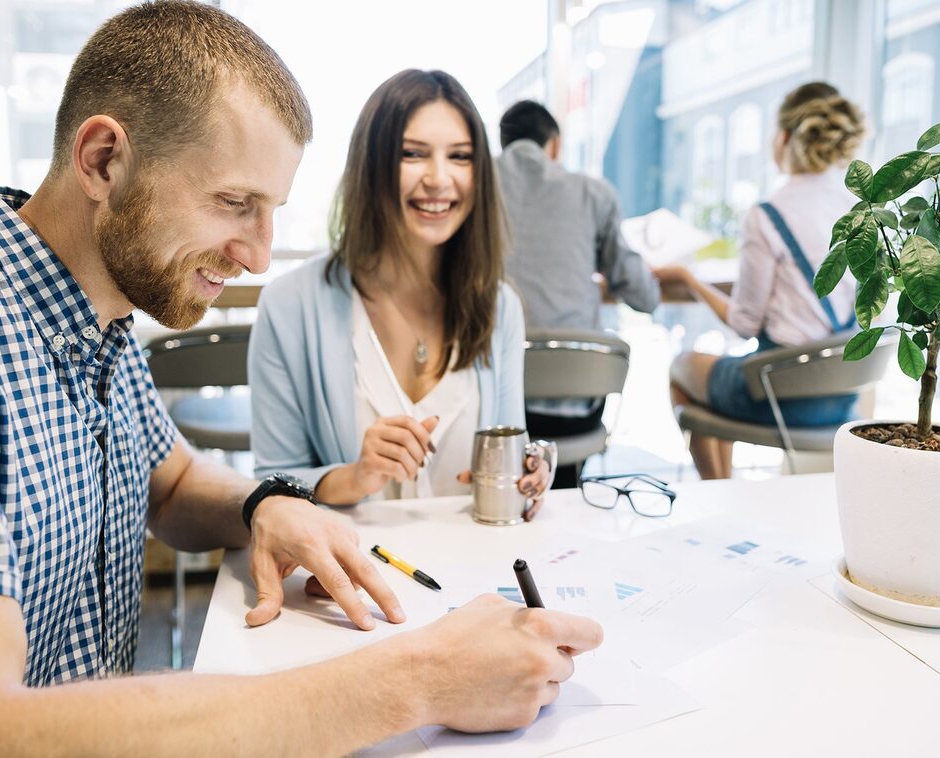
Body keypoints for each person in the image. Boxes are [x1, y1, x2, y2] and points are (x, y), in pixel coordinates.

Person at [0, 4, 601, 754]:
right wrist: (418, 680)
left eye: (270, 211)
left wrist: (264, 503)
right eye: (234, 203)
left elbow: (170, 486)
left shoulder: (97, 317)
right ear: (105, 161)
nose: (258, 257)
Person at [249, 70, 553, 517]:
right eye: (413, 154)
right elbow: (270, 484)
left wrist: (530, 471)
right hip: (351, 575)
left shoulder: (499, 306)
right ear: (371, 165)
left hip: (475, 568)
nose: (438, 178)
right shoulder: (290, 305)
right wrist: (355, 476)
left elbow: (513, 446)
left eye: (461, 156)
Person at [653, 82, 866, 480]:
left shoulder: (768, 215)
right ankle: (728, 499)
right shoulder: (861, 209)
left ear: (784, 138)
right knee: (721, 376)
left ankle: (720, 492)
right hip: (843, 397)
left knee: (683, 368)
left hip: (779, 395)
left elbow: (744, 323)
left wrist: (690, 279)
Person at [496, 100, 660, 486]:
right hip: (573, 408)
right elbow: (643, 295)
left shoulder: (473, 187)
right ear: (554, 145)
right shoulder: (593, 193)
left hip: (490, 408)